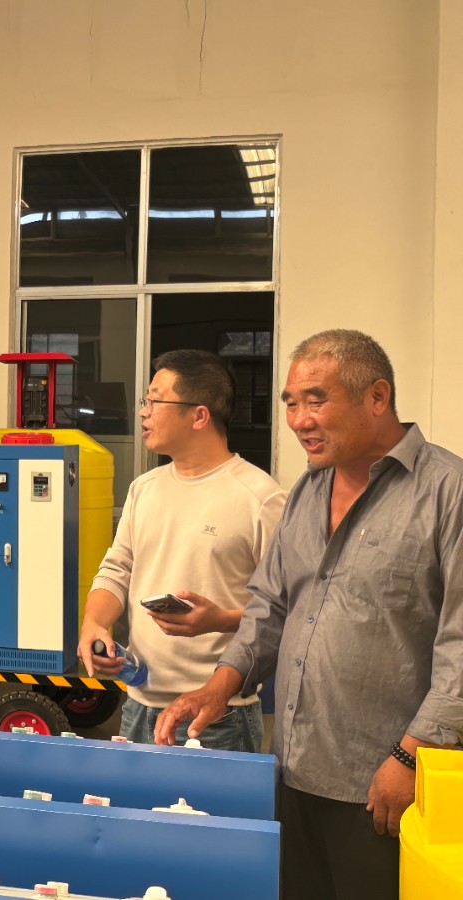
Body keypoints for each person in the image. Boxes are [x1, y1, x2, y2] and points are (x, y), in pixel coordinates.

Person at [155, 329, 463, 900]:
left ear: (377, 396)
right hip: (294, 772)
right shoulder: (307, 491)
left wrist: (410, 756)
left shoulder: (448, 492)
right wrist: (219, 687)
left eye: (315, 400)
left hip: (385, 784)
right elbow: (271, 606)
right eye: (291, 403)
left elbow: (459, 646)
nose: (299, 421)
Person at [77, 350, 286, 751]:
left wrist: (220, 620)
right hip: (138, 703)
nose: (144, 411)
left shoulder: (260, 499)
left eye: (155, 400)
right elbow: (117, 569)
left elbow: (286, 609)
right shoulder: (144, 488)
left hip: (217, 716)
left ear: (199, 416)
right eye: (146, 400)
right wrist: (95, 625)